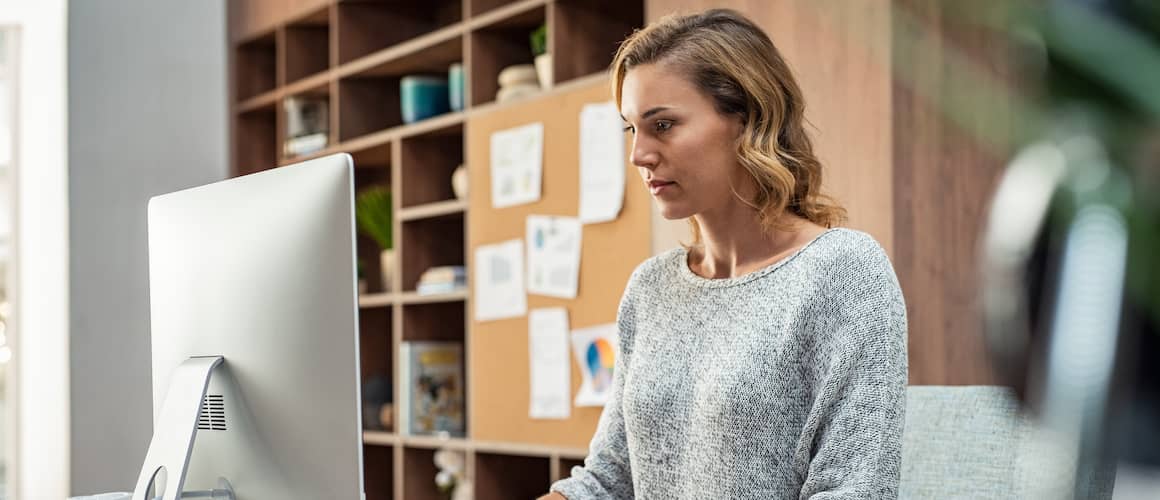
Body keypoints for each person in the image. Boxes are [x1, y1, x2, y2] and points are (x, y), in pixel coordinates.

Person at [540, 8, 908, 500]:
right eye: (632, 129)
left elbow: (853, 489)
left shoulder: (844, 272)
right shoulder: (651, 289)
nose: (638, 155)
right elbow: (608, 479)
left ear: (747, 119)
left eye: (663, 124)